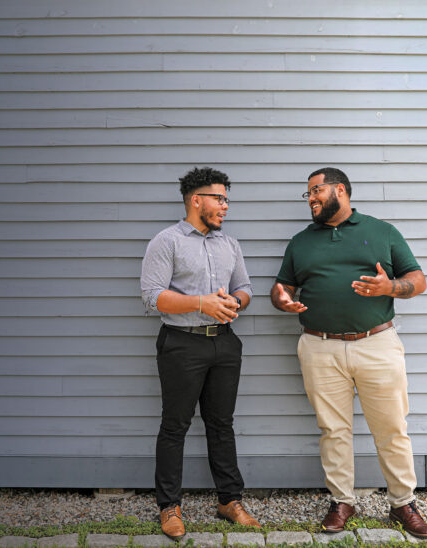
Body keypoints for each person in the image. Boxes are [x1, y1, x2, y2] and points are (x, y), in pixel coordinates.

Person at [270, 167, 427, 539]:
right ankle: (342, 500)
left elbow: (418, 281)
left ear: (340, 190)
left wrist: (389, 287)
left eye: (316, 190)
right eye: (308, 194)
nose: (310, 198)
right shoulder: (301, 241)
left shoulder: (382, 231)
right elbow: (282, 287)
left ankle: (403, 503)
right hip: (319, 345)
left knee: (391, 428)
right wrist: (282, 299)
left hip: (376, 343)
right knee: (333, 430)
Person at [140, 166, 261, 539]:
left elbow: (245, 287)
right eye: (219, 198)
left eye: (227, 199)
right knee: (174, 425)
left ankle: (229, 500)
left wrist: (233, 301)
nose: (225, 206)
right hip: (182, 343)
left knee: (222, 425)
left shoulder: (229, 244)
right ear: (197, 200)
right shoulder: (167, 241)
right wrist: (200, 303)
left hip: (225, 342)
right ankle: (169, 506)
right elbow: (151, 296)